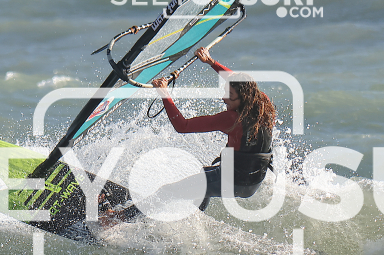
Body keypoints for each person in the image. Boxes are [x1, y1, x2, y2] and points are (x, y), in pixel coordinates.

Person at [105, 46, 275, 222]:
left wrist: (164, 94)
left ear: (243, 97)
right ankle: (193, 218)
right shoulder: (262, 102)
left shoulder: (231, 119)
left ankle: (117, 219)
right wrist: (211, 62)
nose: (223, 98)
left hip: (235, 181)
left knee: (167, 191)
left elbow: (183, 126)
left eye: (229, 96)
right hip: (253, 181)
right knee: (202, 175)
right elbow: (236, 81)